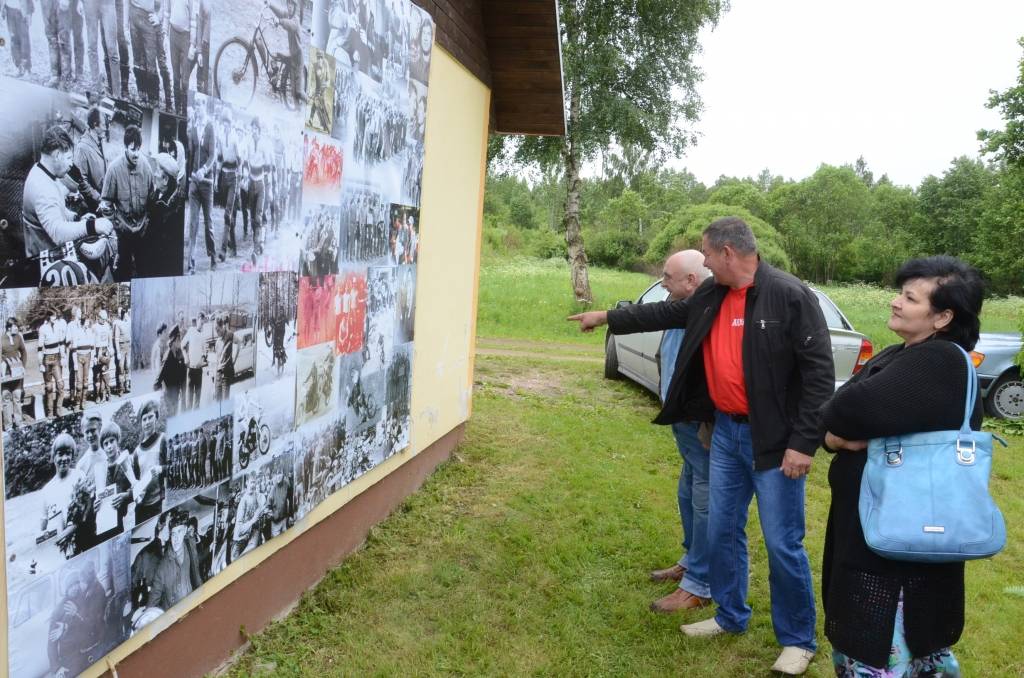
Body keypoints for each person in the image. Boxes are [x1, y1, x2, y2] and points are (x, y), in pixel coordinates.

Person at [569, 217, 834, 676]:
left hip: (774, 443)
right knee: (722, 530)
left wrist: (803, 443)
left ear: (728, 253)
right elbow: (661, 313)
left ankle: (797, 640)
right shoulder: (711, 295)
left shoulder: (789, 295)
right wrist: (606, 316)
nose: (705, 261)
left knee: (782, 541)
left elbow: (819, 375)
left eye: (708, 254)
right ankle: (730, 616)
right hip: (725, 434)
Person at [819, 256, 983, 676]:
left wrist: (848, 434)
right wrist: (843, 433)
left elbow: (846, 409)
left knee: (882, 643)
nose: (895, 302)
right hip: (890, 531)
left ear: (943, 317)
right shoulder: (899, 354)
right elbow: (833, 415)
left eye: (909, 298)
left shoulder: (939, 361)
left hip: (898, 549)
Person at [645, 250, 715, 613]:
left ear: (691, 280)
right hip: (681, 421)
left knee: (705, 498)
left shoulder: (704, 308)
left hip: (700, 422)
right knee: (689, 488)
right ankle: (691, 560)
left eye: (668, 276)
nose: (662, 282)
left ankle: (700, 583)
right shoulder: (679, 305)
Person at [22, 125, 115, 265]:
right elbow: (58, 233)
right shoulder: (43, 187)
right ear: (58, 155)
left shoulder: (41, 172)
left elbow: (56, 210)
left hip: (49, 255)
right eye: (69, 158)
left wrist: (76, 218)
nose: (71, 164)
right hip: (46, 263)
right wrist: (92, 226)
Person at [101, 124, 154, 280]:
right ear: (125, 147)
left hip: (142, 232)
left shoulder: (146, 168)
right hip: (123, 233)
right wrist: (117, 224)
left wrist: (147, 222)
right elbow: (105, 203)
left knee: (144, 270)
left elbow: (152, 200)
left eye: (138, 149)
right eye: (132, 149)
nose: (136, 154)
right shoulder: (114, 169)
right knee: (123, 272)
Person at [47, 561, 108, 677]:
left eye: (76, 584)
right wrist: (56, 667)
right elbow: (51, 643)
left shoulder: (84, 598)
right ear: (66, 589)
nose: (74, 588)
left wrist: (66, 626)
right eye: (71, 586)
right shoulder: (58, 611)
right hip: (70, 655)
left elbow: (91, 621)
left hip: (87, 649)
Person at [148, 508, 202, 610]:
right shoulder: (163, 566)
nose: (176, 539)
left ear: (185, 530)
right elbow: (154, 594)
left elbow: (196, 571)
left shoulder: (190, 544)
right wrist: (147, 615)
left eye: (179, 532)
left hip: (191, 603)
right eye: (173, 534)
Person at [187, 102, 218, 273]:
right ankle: (191, 263)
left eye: (199, 105)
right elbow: (191, 154)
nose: (197, 108)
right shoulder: (193, 128)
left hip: (207, 183)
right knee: (192, 223)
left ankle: (213, 257)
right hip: (194, 183)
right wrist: (191, 176)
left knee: (209, 223)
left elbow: (213, 155)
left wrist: (204, 170)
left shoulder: (210, 127)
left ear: (204, 107)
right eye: (196, 105)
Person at [133, 399, 168, 524]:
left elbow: (172, 467)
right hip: (141, 506)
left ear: (156, 418)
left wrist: (160, 469)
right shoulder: (137, 451)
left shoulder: (163, 439)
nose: (147, 422)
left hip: (156, 503)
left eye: (150, 417)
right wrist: (136, 494)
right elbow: (135, 480)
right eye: (144, 419)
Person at [82, 0, 120, 94]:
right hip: (90, 3)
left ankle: (117, 93)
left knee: (112, 49)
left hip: (108, 4)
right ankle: (96, 87)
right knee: (92, 46)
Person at [37, 310, 67, 417]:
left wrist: (63, 357)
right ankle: (49, 412)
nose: (55, 318)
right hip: (47, 359)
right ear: (48, 317)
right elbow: (40, 348)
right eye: (53, 316)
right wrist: (40, 363)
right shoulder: (42, 329)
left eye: (56, 316)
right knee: (49, 387)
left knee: (60, 384)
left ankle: (59, 409)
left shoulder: (59, 326)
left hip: (57, 357)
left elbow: (62, 343)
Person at [2, 317, 29, 428]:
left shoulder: (18, 337)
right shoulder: (1, 339)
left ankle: (19, 422)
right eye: (15, 326)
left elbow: (24, 352)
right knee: (6, 398)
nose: (17, 328)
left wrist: (23, 366)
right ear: (9, 327)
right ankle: (8, 425)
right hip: (5, 374)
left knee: (17, 397)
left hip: (17, 372)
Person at [155, 325, 186, 416]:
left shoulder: (177, 353)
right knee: (171, 417)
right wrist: (159, 395)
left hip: (175, 393)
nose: (180, 341)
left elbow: (179, 373)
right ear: (175, 340)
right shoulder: (168, 356)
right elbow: (158, 380)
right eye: (179, 339)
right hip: (169, 396)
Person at [3, 0, 32, 78]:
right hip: (9, 9)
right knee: (13, 39)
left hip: (22, 10)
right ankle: (18, 66)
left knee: (24, 39)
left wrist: (29, 12)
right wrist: (2, 7)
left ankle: (26, 67)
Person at [182, 317, 205, 409]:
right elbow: (182, 345)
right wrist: (186, 357)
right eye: (201, 323)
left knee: (197, 401)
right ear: (198, 320)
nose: (201, 325)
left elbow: (204, 351)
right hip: (191, 370)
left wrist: (203, 358)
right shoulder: (191, 331)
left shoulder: (203, 335)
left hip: (199, 371)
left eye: (203, 324)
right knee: (189, 400)